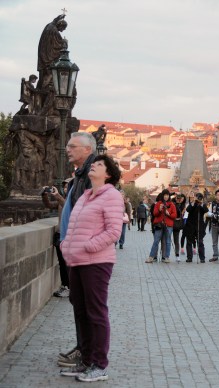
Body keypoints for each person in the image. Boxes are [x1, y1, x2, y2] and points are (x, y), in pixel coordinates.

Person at [59, 154, 123, 382]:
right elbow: (72, 227)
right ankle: (85, 361)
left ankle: (99, 364)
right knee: (81, 311)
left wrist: (88, 246)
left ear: (107, 174)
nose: (92, 166)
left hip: (97, 262)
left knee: (96, 312)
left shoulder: (112, 196)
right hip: (76, 261)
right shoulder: (86, 196)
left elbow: (114, 231)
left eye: (98, 164)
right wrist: (66, 246)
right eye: (93, 163)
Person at [56, 131, 96, 369]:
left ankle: (88, 355)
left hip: (84, 254)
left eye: (72, 146)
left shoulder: (92, 176)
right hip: (74, 250)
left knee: (88, 307)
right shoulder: (81, 176)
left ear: (87, 150)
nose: (67, 149)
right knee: (78, 303)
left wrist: (81, 246)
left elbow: (95, 218)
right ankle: (82, 349)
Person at [42, 178, 71, 297]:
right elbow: (49, 205)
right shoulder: (61, 200)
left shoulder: (74, 201)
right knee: (62, 263)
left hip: (69, 236)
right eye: (64, 186)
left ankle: (68, 287)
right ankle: (66, 286)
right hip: (60, 234)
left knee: (67, 264)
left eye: (67, 186)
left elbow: (67, 206)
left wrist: (58, 196)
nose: (65, 188)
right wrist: (44, 195)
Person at [145, 190, 177, 264]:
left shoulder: (172, 204)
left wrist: (168, 214)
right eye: (165, 195)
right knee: (156, 241)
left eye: (167, 195)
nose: (166, 196)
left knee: (168, 242)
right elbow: (155, 214)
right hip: (159, 225)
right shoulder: (158, 203)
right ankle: (151, 257)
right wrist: (159, 209)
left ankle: (166, 257)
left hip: (168, 225)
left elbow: (174, 215)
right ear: (162, 196)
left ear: (169, 196)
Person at [183, 193, 208, 263]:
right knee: (189, 242)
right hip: (190, 225)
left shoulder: (202, 205)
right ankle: (189, 257)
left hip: (199, 226)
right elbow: (188, 210)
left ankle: (202, 258)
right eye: (197, 197)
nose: (198, 199)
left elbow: (206, 210)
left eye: (200, 198)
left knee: (200, 242)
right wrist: (194, 202)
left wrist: (201, 203)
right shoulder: (192, 204)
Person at [172, 193, 186, 262]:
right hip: (170, 223)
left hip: (177, 224)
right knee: (167, 240)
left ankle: (177, 254)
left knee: (176, 240)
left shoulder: (182, 205)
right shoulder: (172, 203)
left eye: (179, 198)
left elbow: (181, 213)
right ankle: (165, 255)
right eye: (177, 198)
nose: (178, 199)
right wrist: (173, 196)